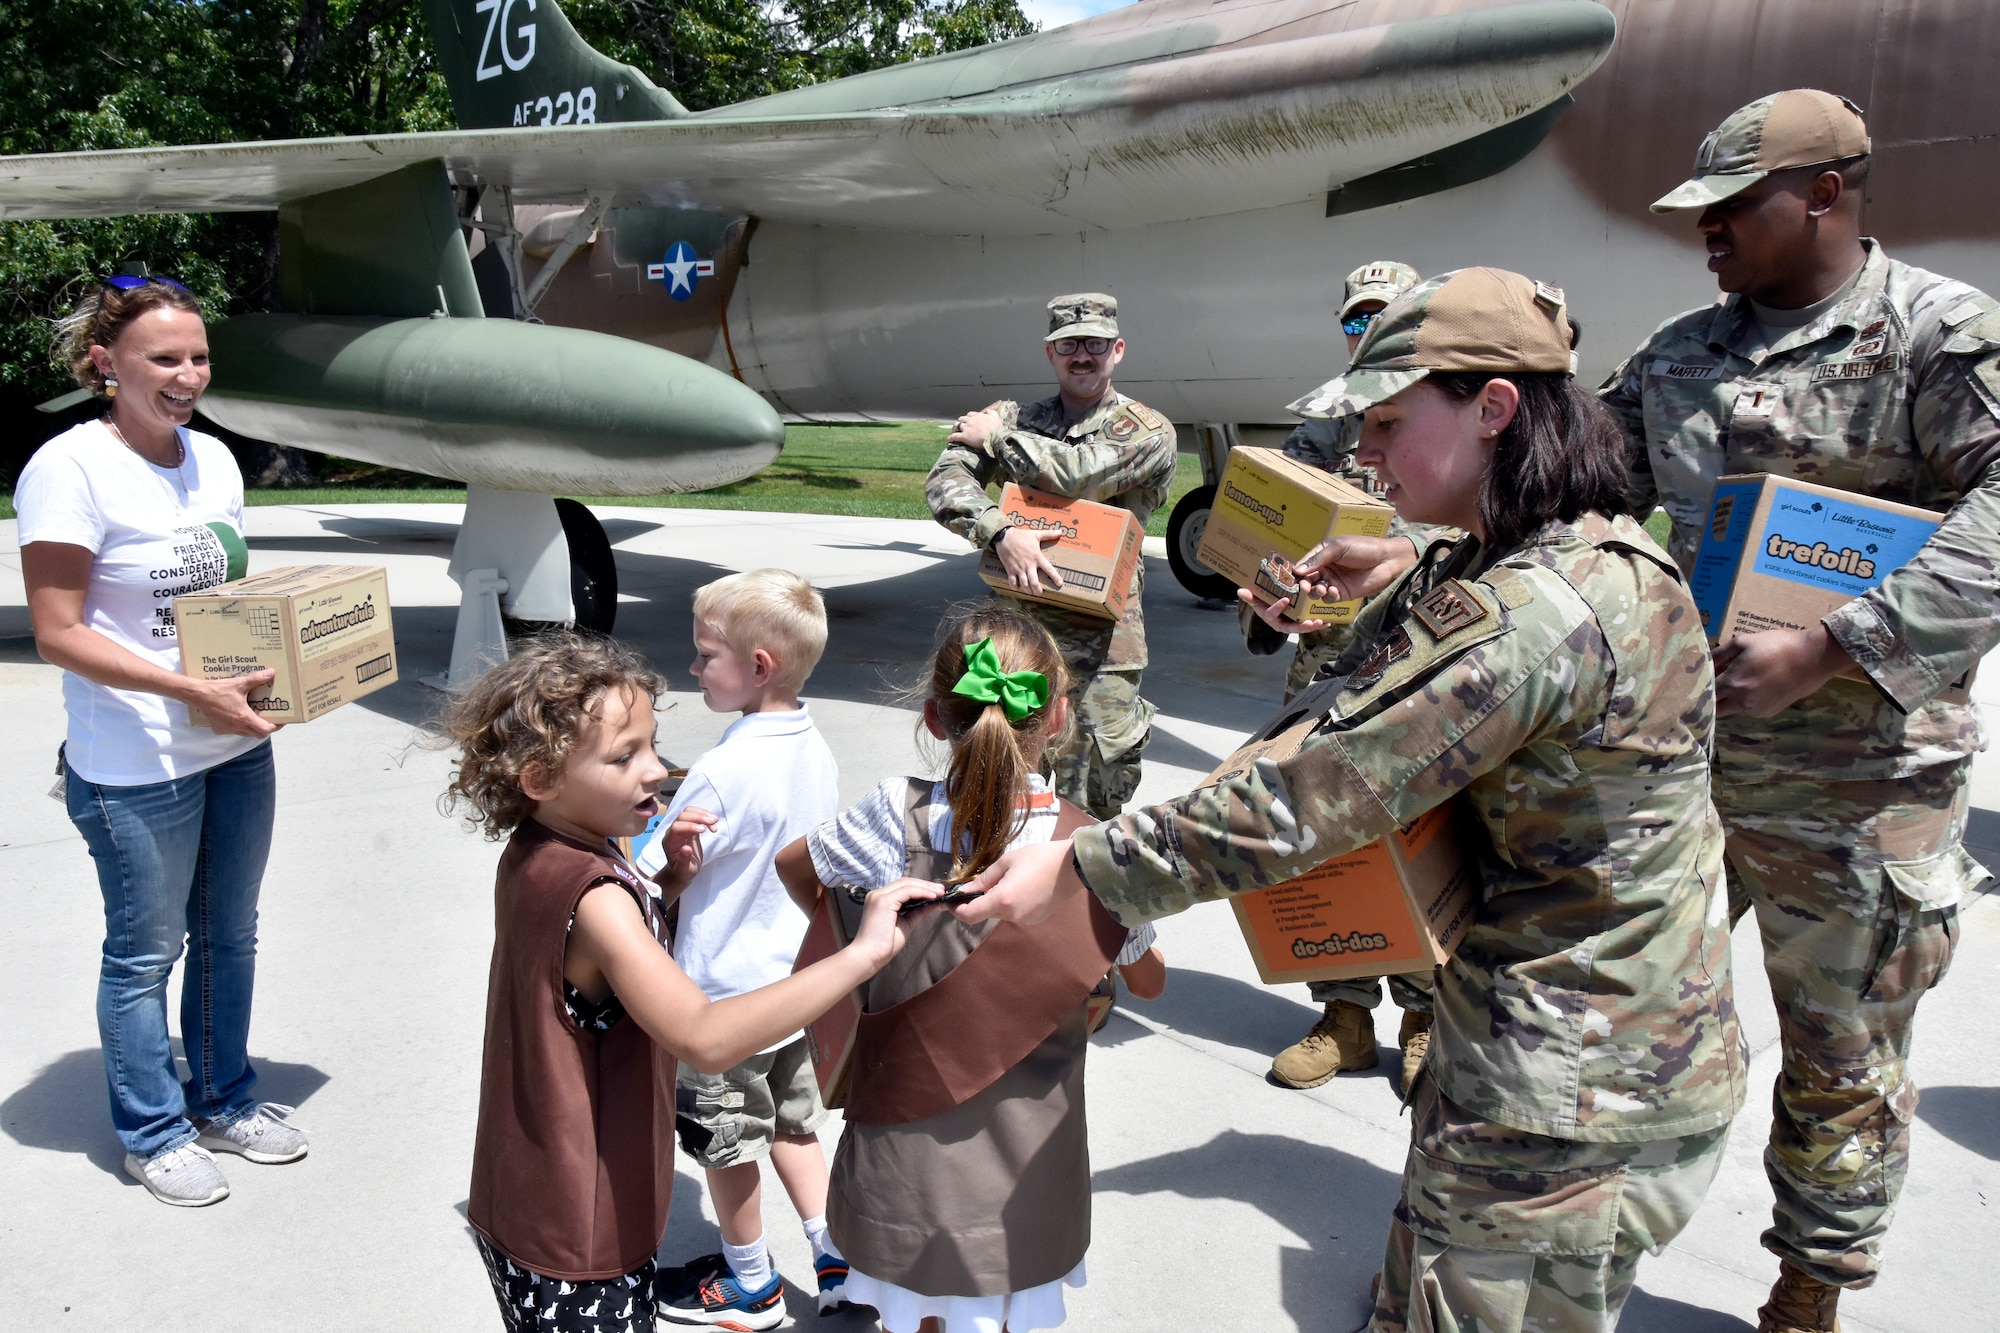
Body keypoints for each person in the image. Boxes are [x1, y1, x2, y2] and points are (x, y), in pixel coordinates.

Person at [955, 269, 1747, 1333]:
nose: (1363, 451)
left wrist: (1076, 867)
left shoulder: (1533, 615)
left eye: (1385, 420)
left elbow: (1312, 797)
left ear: (1493, 410)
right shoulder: (1577, 542)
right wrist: (1400, 556)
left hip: (1568, 1086)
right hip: (1556, 1034)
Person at [1598, 90, 1998, 1333]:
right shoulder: (1675, 356)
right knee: (1609, 1014)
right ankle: (1576, 1238)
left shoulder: (1937, 336)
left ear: (1822, 192)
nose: (1703, 231)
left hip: (1866, 787)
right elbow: (1573, 492)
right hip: (1685, 766)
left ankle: (1807, 1284)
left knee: (1838, 1059)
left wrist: (1836, 645)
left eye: (1730, 206)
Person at [440, 634, 935, 1333]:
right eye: (624, 756)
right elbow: (704, 1036)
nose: (659, 768)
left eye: (652, 743)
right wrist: (861, 953)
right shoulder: (602, 897)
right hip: (581, 1233)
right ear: (540, 778)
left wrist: (669, 882)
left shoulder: (538, 849)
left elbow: (594, 964)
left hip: (519, 1194)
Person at [774, 605, 1161, 1333]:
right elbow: (1148, 976)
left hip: (903, 1152)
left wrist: (857, 942)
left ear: (932, 716)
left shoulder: (894, 814)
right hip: (1026, 1166)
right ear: (1060, 716)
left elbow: (798, 866)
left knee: (911, 1315)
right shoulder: (1092, 846)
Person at [16, 275, 306, 1208]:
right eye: (164, 358)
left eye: (198, 356)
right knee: (146, 953)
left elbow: (218, 603)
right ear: (106, 363)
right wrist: (190, 689)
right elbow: (59, 631)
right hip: (135, 760)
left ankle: (223, 1095)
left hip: (233, 744)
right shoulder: (68, 469)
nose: (188, 374)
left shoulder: (213, 461)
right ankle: (153, 1130)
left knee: (232, 934)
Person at [629, 570, 850, 1328]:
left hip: (722, 1000)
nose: (693, 669)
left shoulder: (722, 770)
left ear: (758, 666)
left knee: (727, 1146)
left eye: (704, 655)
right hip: (795, 991)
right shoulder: (814, 744)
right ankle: (836, 1262)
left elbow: (647, 871)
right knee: (795, 1126)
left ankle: (751, 1282)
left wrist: (668, 861)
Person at [1242, 258, 1439, 1092]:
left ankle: (1428, 1012)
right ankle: (1346, 1017)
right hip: (1329, 660)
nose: (1369, 333)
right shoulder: (1323, 430)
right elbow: (1279, 532)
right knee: (1320, 833)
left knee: (1424, 828)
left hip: (1427, 655)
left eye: (1387, 317)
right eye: (1357, 321)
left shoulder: (1447, 415)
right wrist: (1266, 594)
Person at [928, 293, 1178, 819]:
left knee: (1089, 797)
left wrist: (996, 438)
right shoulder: (1019, 417)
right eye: (1068, 344)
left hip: (1104, 646)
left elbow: (1080, 471)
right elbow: (946, 479)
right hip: (1017, 637)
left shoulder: (1148, 431)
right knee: (999, 777)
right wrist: (999, 531)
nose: (1082, 355)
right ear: (1050, 353)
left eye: (1095, 343)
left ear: (1119, 349)